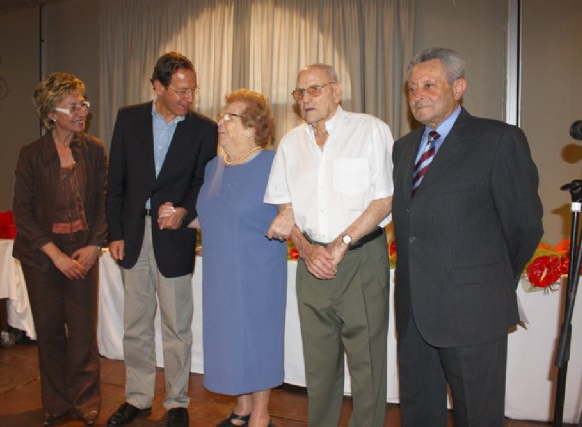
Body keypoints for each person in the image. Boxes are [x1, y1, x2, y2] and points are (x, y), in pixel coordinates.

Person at [392, 47, 544, 427]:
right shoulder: (403, 148)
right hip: (414, 313)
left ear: (458, 87)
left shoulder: (498, 140)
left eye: (429, 85)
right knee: (418, 413)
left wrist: (488, 282)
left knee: (478, 416)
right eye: (412, 89)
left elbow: (524, 226)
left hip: (473, 311)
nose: (418, 96)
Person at [264, 64, 394, 427]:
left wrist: (340, 245)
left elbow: (385, 199)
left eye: (315, 89)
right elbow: (284, 206)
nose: (306, 98)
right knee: (319, 370)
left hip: (360, 260)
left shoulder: (370, 130)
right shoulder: (291, 143)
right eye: (300, 92)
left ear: (337, 91)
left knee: (367, 367)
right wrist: (306, 250)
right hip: (311, 263)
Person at [106, 52, 218, 427]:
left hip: (174, 239)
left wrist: (184, 211)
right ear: (157, 86)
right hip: (134, 236)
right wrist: (115, 233)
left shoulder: (203, 129)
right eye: (180, 91)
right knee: (135, 324)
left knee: (176, 326)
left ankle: (177, 402)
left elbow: (202, 183)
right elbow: (116, 182)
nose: (188, 98)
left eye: (192, 91)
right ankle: (137, 398)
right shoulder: (128, 119)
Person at [13, 72, 107, 426]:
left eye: (83, 103)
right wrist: (55, 255)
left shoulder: (94, 149)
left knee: (83, 331)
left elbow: (103, 201)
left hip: (82, 248)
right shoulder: (31, 155)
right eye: (73, 105)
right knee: (50, 331)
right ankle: (55, 403)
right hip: (42, 255)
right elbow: (22, 213)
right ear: (51, 113)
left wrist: (94, 244)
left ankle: (86, 402)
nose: (82, 111)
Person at [195, 89, 287, 427]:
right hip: (220, 270)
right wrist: (178, 215)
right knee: (229, 337)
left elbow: (289, 212)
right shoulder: (213, 166)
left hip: (257, 269)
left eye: (229, 117)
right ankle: (242, 406)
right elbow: (211, 212)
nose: (220, 121)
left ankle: (261, 413)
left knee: (256, 337)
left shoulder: (272, 164)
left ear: (252, 126)